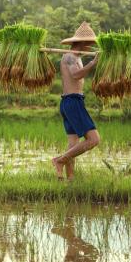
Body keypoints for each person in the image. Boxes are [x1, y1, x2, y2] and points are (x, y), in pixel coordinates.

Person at [52, 22, 101, 181]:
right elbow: (76, 75)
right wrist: (93, 64)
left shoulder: (76, 57)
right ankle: (59, 160)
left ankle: (70, 178)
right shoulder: (70, 57)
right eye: (89, 44)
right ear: (82, 43)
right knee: (94, 139)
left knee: (73, 144)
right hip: (73, 102)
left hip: (71, 101)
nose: (90, 48)